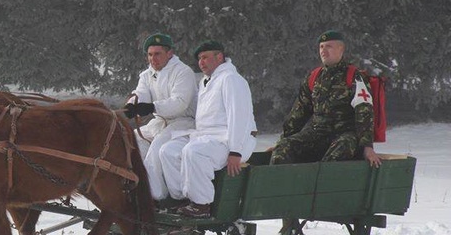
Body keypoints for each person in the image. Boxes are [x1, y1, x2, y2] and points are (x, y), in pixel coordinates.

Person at [156, 40, 257, 218]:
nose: (201, 62)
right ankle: (182, 199)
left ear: (219, 57)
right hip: (207, 137)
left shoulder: (231, 80)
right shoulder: (206, 82)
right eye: (199, 59)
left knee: (193, 152)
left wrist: (235, 151)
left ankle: (201, 205)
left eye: (205, 57)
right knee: (168, 150)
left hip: (231, 140)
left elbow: (239, 117)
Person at [270, 30, 381, 168]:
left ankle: (318, 186)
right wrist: (284, 141)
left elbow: (364, 112)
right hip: (317, 133)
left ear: (341, 49)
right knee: (283, 149)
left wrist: (367, 146)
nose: (323, 51)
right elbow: (299, 112)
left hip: (344, 135)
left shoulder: (354, 77)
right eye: (321, 47)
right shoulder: (314, 77)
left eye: (329, 46)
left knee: (339, 151)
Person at [123, 33, 198, 201]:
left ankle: (159, 198)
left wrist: (152, 107)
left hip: (183, 122)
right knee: (131, 140)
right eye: (150, 54)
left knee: (157, 150)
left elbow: (180, 102)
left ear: (169, 53)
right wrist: (132, 104)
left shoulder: (183, 72)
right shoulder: (147, 75)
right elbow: (141, 92)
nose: (153, 59)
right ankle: (138, 187)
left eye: (157, 54)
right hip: (159, 122)